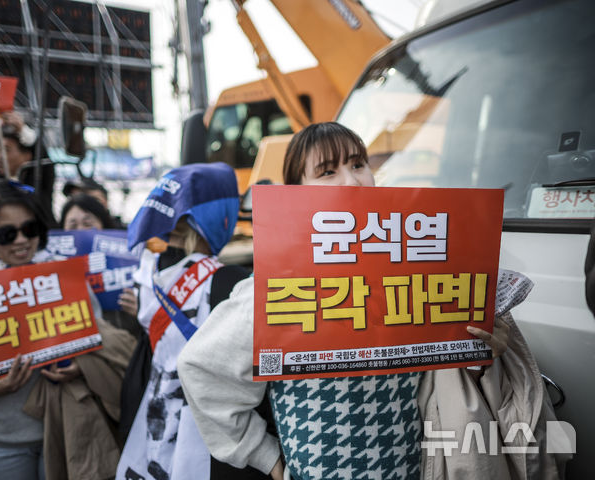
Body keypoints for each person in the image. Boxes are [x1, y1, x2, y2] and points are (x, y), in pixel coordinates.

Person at [178, 122, 566, 479]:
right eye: (327, 172)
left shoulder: (424, 270)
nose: (352, 180)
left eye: (359, 163)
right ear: (296, 195)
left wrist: (485, 354)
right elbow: (202, 369)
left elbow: (453, 382)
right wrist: (270, 461)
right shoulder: (275, 287)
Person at [0, 179, 134, 480]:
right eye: (7, 234)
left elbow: (97, 340)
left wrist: (80, 365)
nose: (21, 240)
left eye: (30, 229)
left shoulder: (62, 276)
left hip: (66, 430)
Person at [115, 163, 254, 480]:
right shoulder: (228, 282)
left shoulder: (147, 273)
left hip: (152, 419)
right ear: (221, 215)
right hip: (209, 432)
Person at [60, 193, 139, 335]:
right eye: (72, 225)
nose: (80, 231)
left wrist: (142, 310)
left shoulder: (129, 262)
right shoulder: (53, 271)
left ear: (103, 226)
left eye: (88, 224)